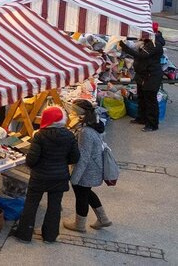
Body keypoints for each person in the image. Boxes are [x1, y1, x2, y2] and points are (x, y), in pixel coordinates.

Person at [12, 106, 80, 244]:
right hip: (60, 177)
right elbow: (75, 157)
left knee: (31, 204)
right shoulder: (69, 136)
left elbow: (31, 160)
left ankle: (24, 234)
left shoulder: (40, 136)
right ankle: (50, 236)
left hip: (40, 176)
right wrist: (61, 162)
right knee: (55, 206)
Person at [63, 100, 113, 233]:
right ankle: (103, 219)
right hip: (93, 167)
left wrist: (75, 177)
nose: (71, 113)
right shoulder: (93, 123)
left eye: (73, 111)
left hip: (87, 170)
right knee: (87, 193)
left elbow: (83, 157)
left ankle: (79, 225)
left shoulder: (85, 132)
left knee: (81, 195)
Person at [121, 30, 164, 131]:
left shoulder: (155, 44)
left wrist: (124, 47)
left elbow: (142, 56)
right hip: (142, 75)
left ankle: (152, 125)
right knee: (141, 98)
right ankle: (141, 118)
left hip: (151, 76)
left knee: (150, 100)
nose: (141, 36)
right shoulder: (147, 42)